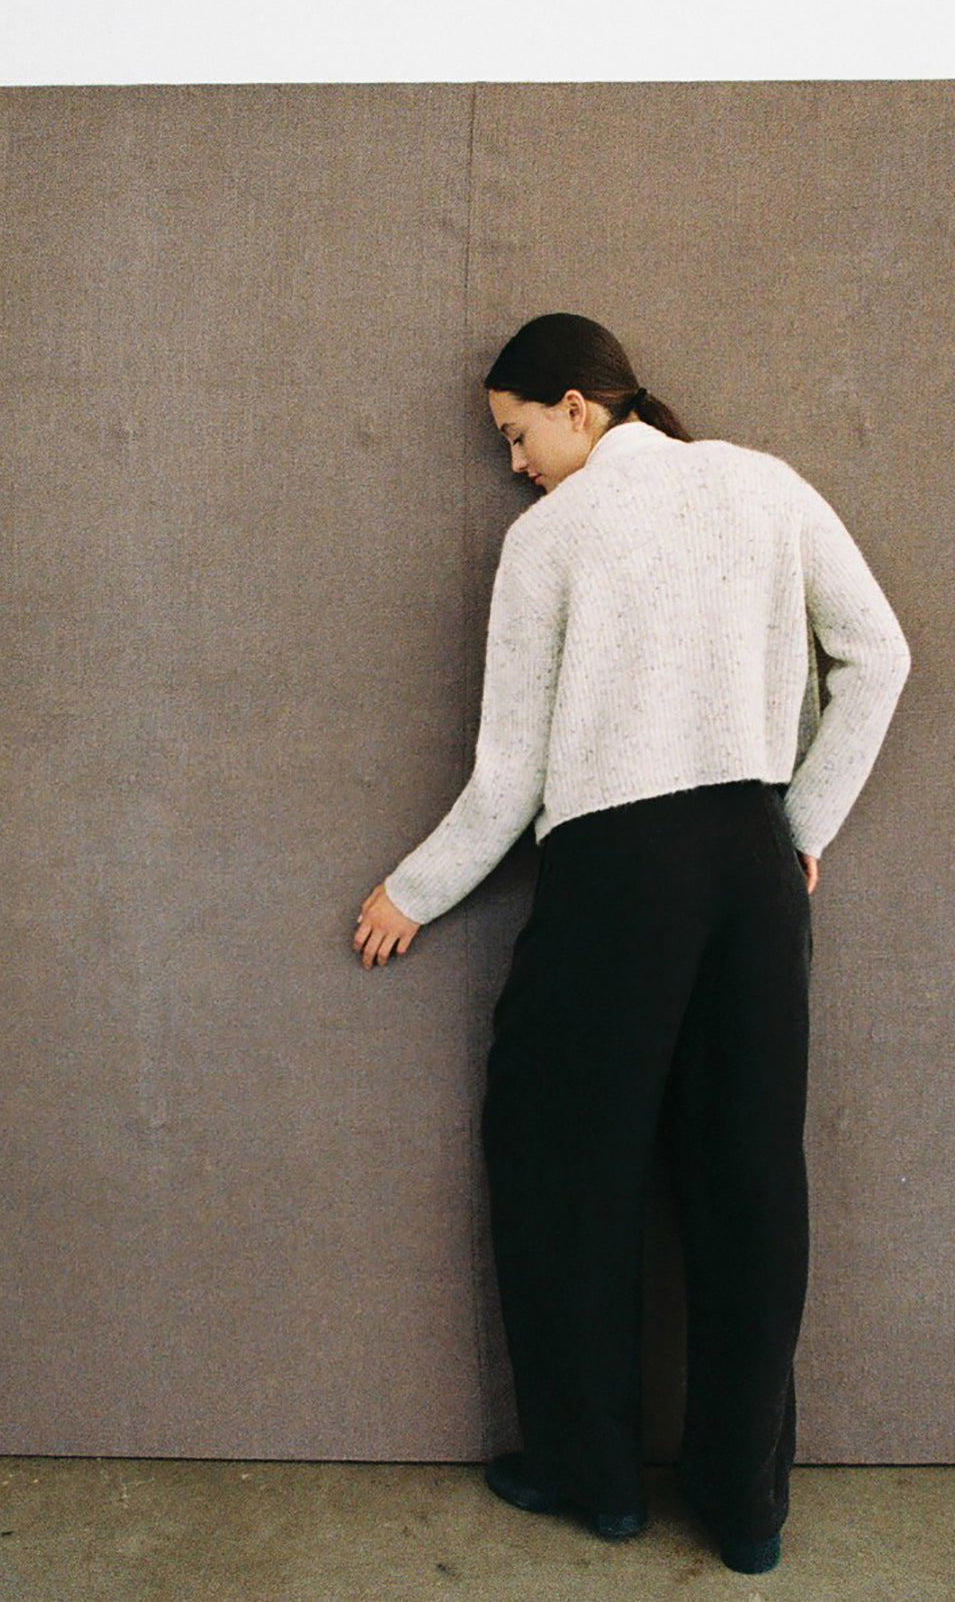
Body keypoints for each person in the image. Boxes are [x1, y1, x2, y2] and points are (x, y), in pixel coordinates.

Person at [351, 312, 911, 1575]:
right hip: (750, 868)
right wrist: (799, 827)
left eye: (517, 434)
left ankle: (591, 1472)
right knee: (750, 1181)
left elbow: (509, 777)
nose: (514, 465)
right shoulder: (767, 486)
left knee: (563, 1163)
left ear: (579, 407)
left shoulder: (552, 538)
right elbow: (880, 656)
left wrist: (409, 892)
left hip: (612, 878)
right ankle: (745, 1503)